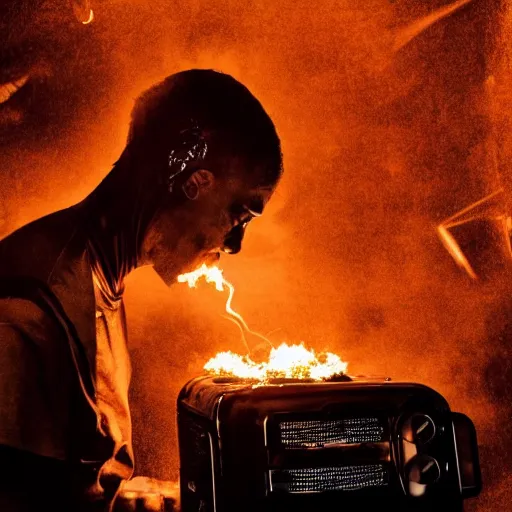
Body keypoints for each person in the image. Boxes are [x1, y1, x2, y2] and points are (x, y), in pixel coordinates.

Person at [0, 69, 283, 511]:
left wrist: (131, 495)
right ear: (196, 183)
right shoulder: (30, 312)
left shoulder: (100, 280)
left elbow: (61, 483)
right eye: (239, 215)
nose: (235, 244)